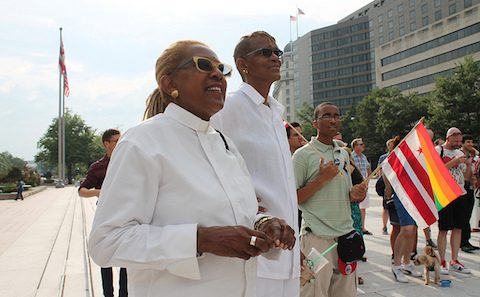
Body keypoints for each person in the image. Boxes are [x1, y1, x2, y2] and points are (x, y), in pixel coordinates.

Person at [88, 40, 295, 297]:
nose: (218, 73)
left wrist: (264, 224)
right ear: (169, 84)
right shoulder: (143, 142)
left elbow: (237, 216)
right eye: (203, 65)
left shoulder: (224, 144)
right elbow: (106, 242)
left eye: (221, 68)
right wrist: (200, 240)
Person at [211, 31, 300, 297]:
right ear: (242, 64)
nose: (275, 57)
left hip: (287, 249)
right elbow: (206, 162)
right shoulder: (227, 107)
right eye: (265, 52)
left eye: (277, 53)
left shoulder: (275, 113)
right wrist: (239, 200)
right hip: (253, 245)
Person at [293, 102, 367, 297]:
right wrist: (322, 179)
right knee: (314, 292)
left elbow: (347, 193)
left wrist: (356, 195)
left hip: (345, 236)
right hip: (316, 238)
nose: (333, 120)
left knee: (345, 293)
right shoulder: (302, 155)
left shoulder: (343, 154)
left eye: (336, 115)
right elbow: (293, 198)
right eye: (326, 115)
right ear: (315, 122)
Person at [79, 128, 127, 297]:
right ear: (106, 144)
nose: (120, 143)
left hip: (126, 214)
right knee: (105, 255)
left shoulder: (127, 162)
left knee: (125, 255)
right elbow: (82, 190)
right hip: (105, 215)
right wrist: (99, 192)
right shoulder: (98, 167)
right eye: (116, 141)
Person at [383, 137, 422, 283]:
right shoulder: (392, 159)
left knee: (412, 230)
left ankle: (407, 262)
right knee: (406, 229)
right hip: (401, 196)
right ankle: (397, 265)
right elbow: (387, 175)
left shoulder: (414, 157)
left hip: (415, 196)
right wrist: (388, 192)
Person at [436, 127, 471, 274]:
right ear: (448, 138)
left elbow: (465, 174)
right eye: (455, 141)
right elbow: (437, 170)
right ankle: (442, 260)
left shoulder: (459, 152)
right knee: (443, 229)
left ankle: (455, 259)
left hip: (460, 193)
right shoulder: (438, 150)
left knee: (458, 228)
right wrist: (455, 161)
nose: (458, 144)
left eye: (459, 141)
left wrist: (468, 165)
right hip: (445, 194)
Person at [459, 134, 479, 252]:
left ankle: (466, 241)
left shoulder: (473, 156)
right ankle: (462, 242)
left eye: (472, 142)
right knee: (463, 216)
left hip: (471, 188)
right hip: (461, 188)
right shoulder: (459, 155)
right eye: (468, 142)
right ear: (462, 143)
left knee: (468, 216)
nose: (470, 144)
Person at [350, 138, 372, 235]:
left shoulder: (363, 157)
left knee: (363, 207)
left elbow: (368, 169)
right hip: (355, 185)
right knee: (355, 207)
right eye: (360, 144)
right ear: (355, 146)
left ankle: (362, 227)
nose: (363, 146)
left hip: (364, 185)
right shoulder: (351, 156)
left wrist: (368, 181)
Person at [377, 139, 394, 235]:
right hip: (386, 184)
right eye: (390, 145)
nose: (391, 147)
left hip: (396, 185)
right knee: (385, 207)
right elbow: (379, 169)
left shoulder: (399, 156)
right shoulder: (383, 157)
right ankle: (384, 226)